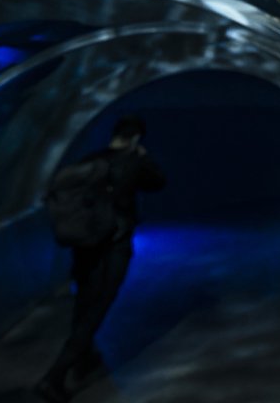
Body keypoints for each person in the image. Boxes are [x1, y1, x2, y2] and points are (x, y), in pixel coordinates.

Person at [35, 114, 166, 402]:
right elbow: (159, 182)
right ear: (135, 138)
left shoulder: (91, 159)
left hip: (85, 244)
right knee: (98, 308)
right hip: (113, 245)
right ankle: (54, 376)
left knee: (84, 302)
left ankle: (84, 355)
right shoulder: (134, 161)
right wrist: (143, 156)